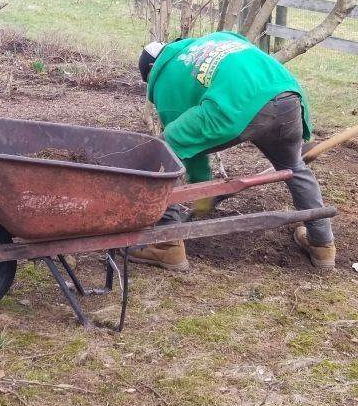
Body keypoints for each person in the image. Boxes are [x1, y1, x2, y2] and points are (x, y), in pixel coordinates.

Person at [133, 32, 336, 271]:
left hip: (235, 106)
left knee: (163, 151)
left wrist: (202, 195)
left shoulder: (166, 79)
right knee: (293, 166)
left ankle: (166, 245)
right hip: (286, 94)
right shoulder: (217, 39)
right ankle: (322, 244)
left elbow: (186, 147)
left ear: (151, 72)